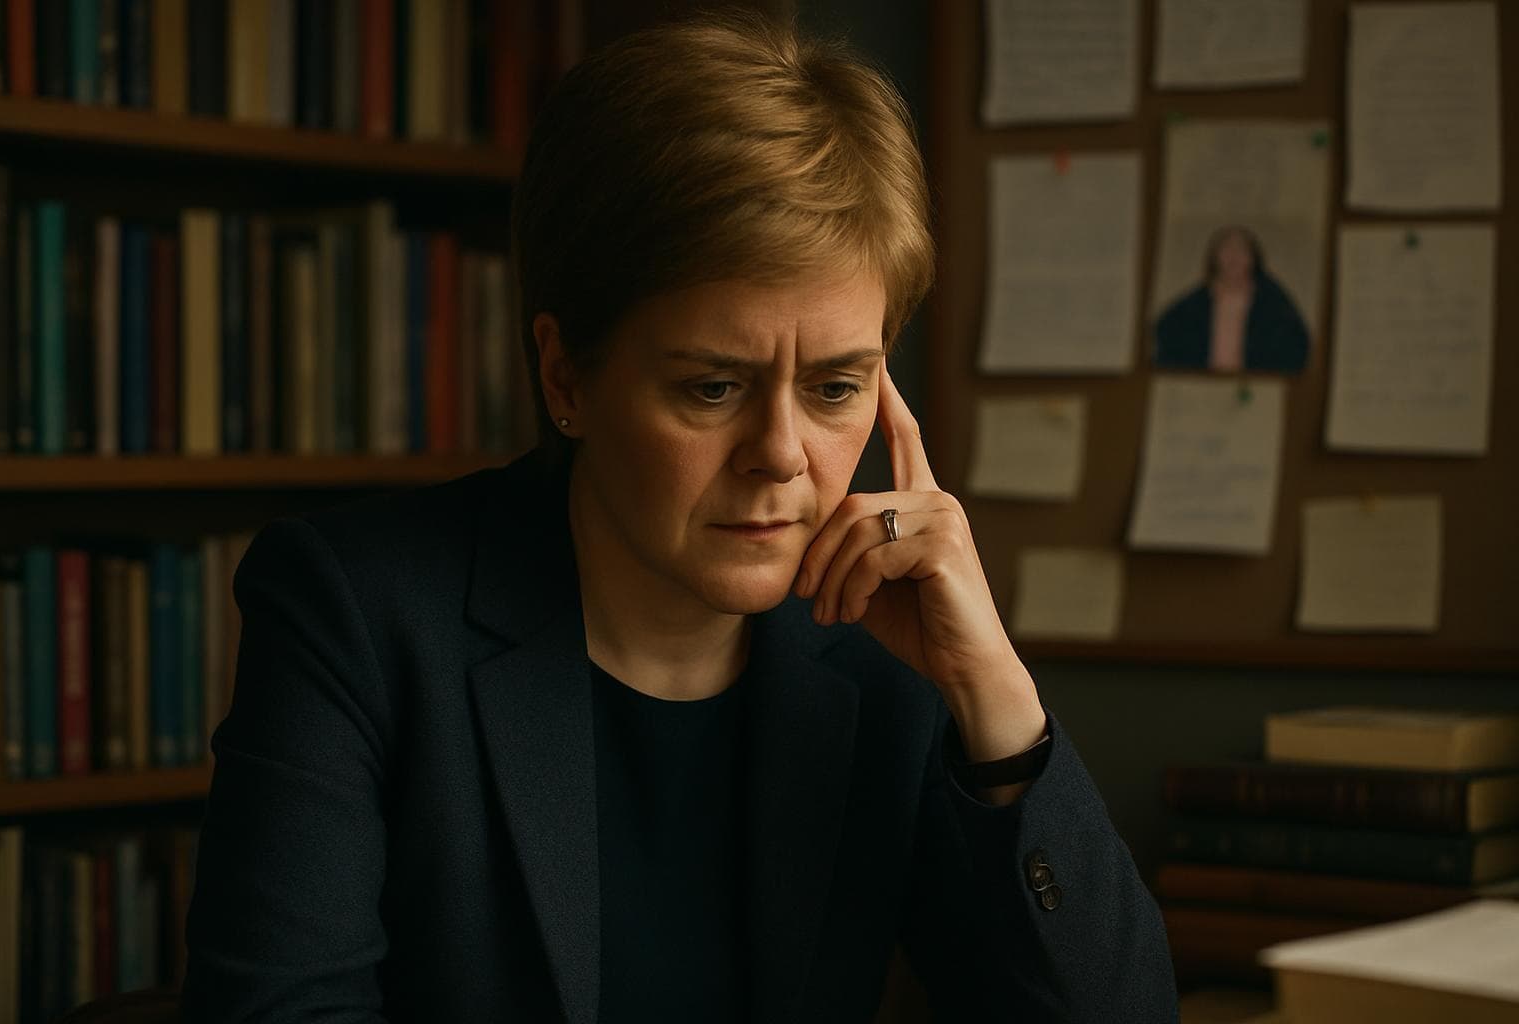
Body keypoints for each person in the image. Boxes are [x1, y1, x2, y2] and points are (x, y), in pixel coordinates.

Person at [180, 14, 1178, 1023]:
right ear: (566, 375)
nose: (781, 454)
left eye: (835, 388)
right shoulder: (352, 614)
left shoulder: (892, 655)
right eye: (712, 388)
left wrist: (996, 699)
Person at [1153, 225, 1310, 373]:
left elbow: (1295, 345)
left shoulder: (1273, 304)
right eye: (1226, 249)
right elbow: (1167, 336)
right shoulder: (1193, 305)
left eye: (1241, 249)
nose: (1234, 256)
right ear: (1214, 257)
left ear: (1253, 258)